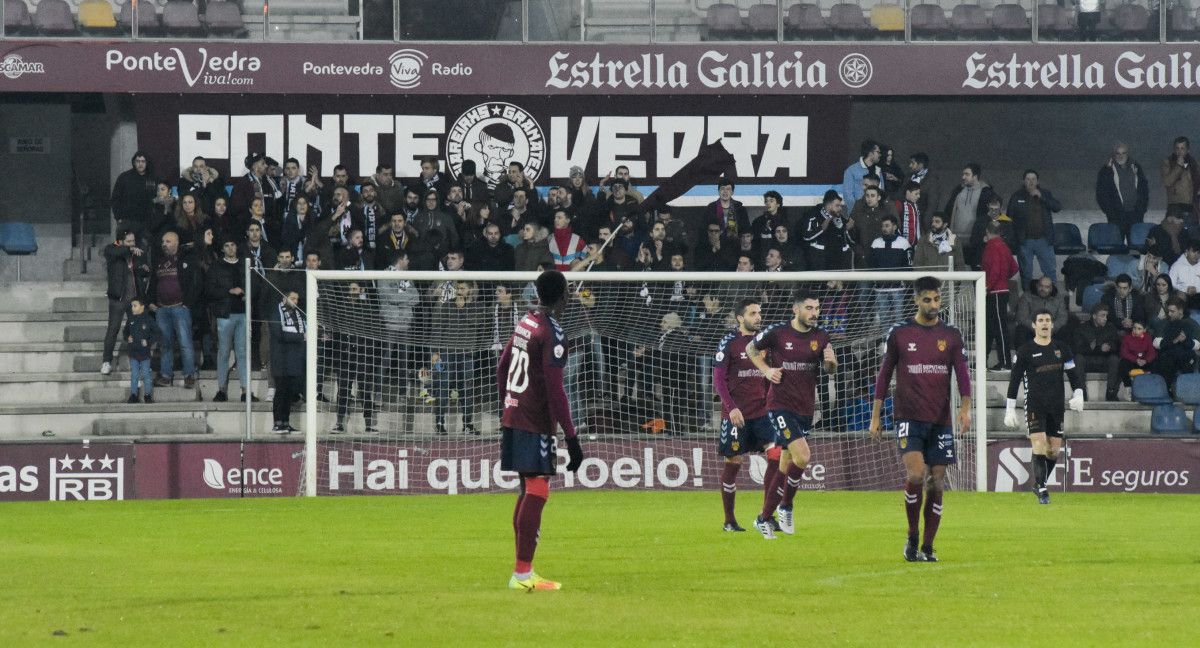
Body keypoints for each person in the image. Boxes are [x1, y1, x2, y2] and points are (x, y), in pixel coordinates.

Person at [870, 276, 972, 563]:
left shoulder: (951, 335)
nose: (933, 304)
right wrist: (875, 416)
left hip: (940, 420)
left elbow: (963, 375)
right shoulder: (900, 333)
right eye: (927, 299)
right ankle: (912, 535)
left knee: (937, 482)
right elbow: (884, 375)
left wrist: (965, 409)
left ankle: (928, 546)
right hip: (908, 418)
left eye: (937, 299)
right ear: (916, 300)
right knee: (916, 474)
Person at [498, 270, 585, 591]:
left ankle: (522, 570)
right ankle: (522, 574)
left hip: (514, 413)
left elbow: (503, 364)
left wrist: (506, 403)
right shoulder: (552, 333)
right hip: (534, 421)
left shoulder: (526, 322)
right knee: (538, 490)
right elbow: (556, 391)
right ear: (563, 297)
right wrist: (572, 437)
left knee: (527, 490)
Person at [745, 288, 836, 540]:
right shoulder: (777, 333)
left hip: (805, 408)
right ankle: (786, 506)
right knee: (803, 456)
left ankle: (763, 518)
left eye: (817, 308)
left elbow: (830, 369)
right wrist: (765, 370)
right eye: (809, 308)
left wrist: (830, 362)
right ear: (795, 309)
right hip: (779, 405)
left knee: (785, 464)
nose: (814, 313)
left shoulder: (821, 336)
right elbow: (751, 350)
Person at [713, 299, 781, 532]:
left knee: (776, 457)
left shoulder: (764, 343)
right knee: (734, 463)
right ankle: (729, 520)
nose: (758, 317)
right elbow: (718, 380)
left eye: (759, 313)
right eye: (753, 313)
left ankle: (766, 514)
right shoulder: (729, 343)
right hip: (736, 415)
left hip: (762, 413)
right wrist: (731, 408)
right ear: (740, 318)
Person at [1004, 310, 1084, 504]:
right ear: (1034, 325)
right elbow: (1014, 381)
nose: (1044, 323)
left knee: (1053, 451)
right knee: (1039, 444)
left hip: (1056, 406)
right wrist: (1010, 408)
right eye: (1040, 320)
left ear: (1052, 324)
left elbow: (1073, 374)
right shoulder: (1025, 351)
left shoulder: (1062, 348)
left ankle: (1040, 483)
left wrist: (1079, 392)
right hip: (1034, 404)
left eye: (1047, 320)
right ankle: (1041, 488)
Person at [147, 231, 201, 389]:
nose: (164, 244)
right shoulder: (158, 261)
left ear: (177, 243)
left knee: (185, 343)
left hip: (180, 308)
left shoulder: (186, 259)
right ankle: (165, 376)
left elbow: (195, 283)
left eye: (168, 241)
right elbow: (153, 283)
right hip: (162, 310)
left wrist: (188, 304)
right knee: (165, 345)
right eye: (163, 241)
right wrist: (151, 303)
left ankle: (189, 375)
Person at [206, 238, 253, 403]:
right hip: (225, 315)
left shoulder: (246, 264)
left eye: (232, 244)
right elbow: (210, 290)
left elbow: (255, 285)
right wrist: (229, 291)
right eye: (227, 245)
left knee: (242, 353)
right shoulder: (216, 266)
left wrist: (248, 293)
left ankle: (245, 391)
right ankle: (221, 390)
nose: (230, 247)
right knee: (224, 353)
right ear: (222, 249)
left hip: (243, 314)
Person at [101, 230, 150, 375]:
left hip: (134, 299)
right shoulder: (111, 250)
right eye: (129, 241)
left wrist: (145, 269)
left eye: (133, 241)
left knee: (139, 330)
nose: (132, 244)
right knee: (113, 329)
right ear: (121, 241)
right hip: (118, 298)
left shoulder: (137, 253)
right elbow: (114, 253)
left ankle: (141, 361)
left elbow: (142, 271)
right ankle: (106, 361)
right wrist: (129, 249)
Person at [1008, 170, 1063, 284]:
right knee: (1026, 273)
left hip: (1044, 240)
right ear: (1023, 181)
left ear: (1038, 181)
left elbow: (1057, 207)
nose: (1031, 182)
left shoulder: (1045, 193)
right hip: (1025, 241)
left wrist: (1041, 197)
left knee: (1050, 271)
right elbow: (1009, 218)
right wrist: (1014, 239)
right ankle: (1027, 299)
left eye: (1033, 179)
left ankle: (1052, 298)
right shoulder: (1017, 196)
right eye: (1028, 179)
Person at [944, 162, 997, 268]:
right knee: (954, 271)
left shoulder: (986, 193)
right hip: (956, 240)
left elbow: (992, 215)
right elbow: (949, 212)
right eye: (963, 174)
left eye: (967, 174)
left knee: (977, 272)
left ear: (975, 176)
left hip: (976, 241)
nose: (963, 177)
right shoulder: (958, 191)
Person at [982, 222, 1019, 369]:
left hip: (995, 292)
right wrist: (1004, 279)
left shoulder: (992, 246)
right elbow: (1014, 268)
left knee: (998, 327)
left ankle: (1005, 362)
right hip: (1002, 290)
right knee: (991, 327)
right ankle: (984, 359)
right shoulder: (1004, 246)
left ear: (987, 231)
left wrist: (987, 286)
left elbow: (995, 270)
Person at [1096, 142, 1149, 244]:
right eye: (1118, 153)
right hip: (1116, 218)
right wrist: (1110, 212)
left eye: (1123, 153)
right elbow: (1101, 194)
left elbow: (1144, 190)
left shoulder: (1136, 168)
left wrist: (1141, 209)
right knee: (1115, 249)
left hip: (1135, 216)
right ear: (1114, 154)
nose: (1121, 156)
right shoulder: (1106, 170)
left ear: (1127, 154)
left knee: (1135, 249)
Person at [268, 290, 305, 434]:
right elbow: (279, 334)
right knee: (281, 390)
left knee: (289, 392)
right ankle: (277, 423)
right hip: (280, 359)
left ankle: (286, 422)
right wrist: (301, 337)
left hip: (293, 359)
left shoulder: (299, 314)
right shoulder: (275, 312)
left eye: (297, 299)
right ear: (284, 298)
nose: (295, 302)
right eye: (292, 298)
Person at [1071, 303, 1122, 402]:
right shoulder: (1082, 328)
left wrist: (1107, 347)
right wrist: (1098, 348)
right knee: (1078, 359)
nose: (1105, 318)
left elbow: (1116, 346)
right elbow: (1077, 348)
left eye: (1106, 315)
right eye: (1102, 315)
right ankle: (1081, 394)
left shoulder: (1111, 328)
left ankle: (1111, 393)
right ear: (1094, 316)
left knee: (1115, 360)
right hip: (1087, 361)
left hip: (1104, 360)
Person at [1152, 299, 1200, 391]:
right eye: (1168, 311)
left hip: (1186, 355)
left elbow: (1197, 345)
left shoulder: (1192, 324)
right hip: (1168, 355)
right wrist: (1173, 341)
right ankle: (1166, 391)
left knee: (1190, 358)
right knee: (1165, 361)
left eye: (1172, 311)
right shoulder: (1163, 323)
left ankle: (1187, 391)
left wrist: (1185, 340)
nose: (1169, 314)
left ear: (1180, 311)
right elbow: (1156, 343)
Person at [110, 151, 157, 237]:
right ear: (134, 163)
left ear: (147, 163)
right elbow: (115, 198)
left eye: (143, 161)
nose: (140, 164)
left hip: (145, 223)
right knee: (122, 249)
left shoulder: (153, 178)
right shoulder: (124, 177)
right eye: (138, 161)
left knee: (143, 249)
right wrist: (118, 218)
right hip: (126, 222)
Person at [1014, 277, 1069, 347]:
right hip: (1032, 329)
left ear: (1051, 289)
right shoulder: (1026, 296)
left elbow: (1062, 317)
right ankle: (1022, 356)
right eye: (1041, 286)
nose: (1042, 289)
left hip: (1052, 330)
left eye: (1046, 287)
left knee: (1065, 330)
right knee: (1021, 330)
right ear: (1037, 285)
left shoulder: (1058, 298)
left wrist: (1052, 328)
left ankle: (1063, 356)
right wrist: (1036, 328)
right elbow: (1022, 317)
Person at [123, 297, 159, 404]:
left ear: (142, 307)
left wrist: (148, 341)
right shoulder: (130, 319)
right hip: (133, 352)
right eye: (132, 306)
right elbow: (125, 332)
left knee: (146, 374)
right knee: (134, 374)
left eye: (135, 306)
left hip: (144, 352)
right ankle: (133, 394)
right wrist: (127, 337)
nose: (133, 308)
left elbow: (157, 332)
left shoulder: (148, 319)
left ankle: (147, 395)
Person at [1160, 136, 1200, 224]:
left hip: (1193, 206)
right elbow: (1167, 182)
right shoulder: (1168, 163)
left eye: (1182, 148)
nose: (1179, 151)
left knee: (1192, 234)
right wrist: (1178, 166)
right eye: (1177, 148)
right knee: (1173, 233)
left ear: (1188, 150)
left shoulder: (1195, 164)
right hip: (1175, 206)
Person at [843, 139, 883, 213]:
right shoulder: (851, 171)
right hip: (858, 216)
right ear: (871, 153)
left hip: (876, 216)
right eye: (878, 152)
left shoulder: (878, 171)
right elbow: (848, 196)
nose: (880, 155)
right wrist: (857, 213)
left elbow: (881, 192)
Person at [1168, 240, 1200, 311]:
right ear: (1187, 251)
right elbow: (1171, 283)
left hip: (1199, 294)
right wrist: (1186, 288)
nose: (1196, 255)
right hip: (1184, 295)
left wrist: (1197, 289)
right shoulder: (1177, 265)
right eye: (1193, 252)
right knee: (1180, 296)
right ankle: (1182, 318)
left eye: (1198, 253)